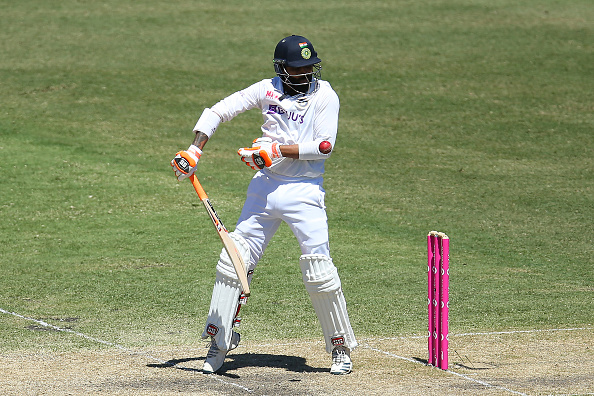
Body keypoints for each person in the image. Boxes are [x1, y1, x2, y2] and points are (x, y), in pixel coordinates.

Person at [171, 35, 357, 375]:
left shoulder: (325, 95)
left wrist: (274, 152)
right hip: (265, 188)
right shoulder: (266, 89)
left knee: (319, 269)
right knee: (233, 263)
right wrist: (194, 150)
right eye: (296, 69)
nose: (303, 74)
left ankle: (340, 346)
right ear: (282, 69)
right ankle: (220, 342)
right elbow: (218, 111)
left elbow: (325, 145)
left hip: (304, 191)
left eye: (307, 68)